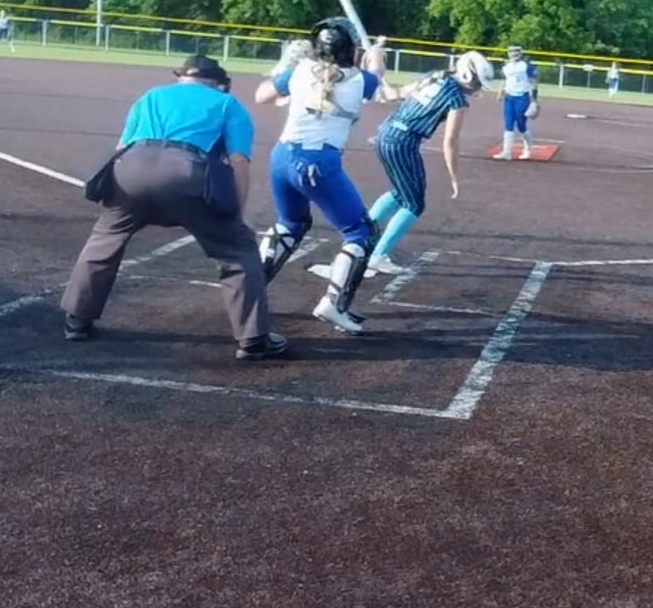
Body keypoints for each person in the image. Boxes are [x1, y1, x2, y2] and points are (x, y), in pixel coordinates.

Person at [59, 55, 286, 359]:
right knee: (237, 249)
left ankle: (76, 320)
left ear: (181, 77)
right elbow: (238, 161)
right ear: (219, 83)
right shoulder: (227, 105)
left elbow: (121, 148)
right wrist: (237, 214)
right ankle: (254, 338)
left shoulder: (151, 96)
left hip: (131, 169)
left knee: (104, 240)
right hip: (185, 173)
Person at [253, 19, 388, 335]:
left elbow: (262, 95)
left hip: (282, 157)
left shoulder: (301, 71)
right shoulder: (359, 80)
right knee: (361, 232)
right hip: (318, 164)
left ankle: (250, 288)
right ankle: (333, 305)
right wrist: (377, 53)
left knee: (291, 223)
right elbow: (377, 77)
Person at [362, 52, 494, 275]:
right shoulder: (457, 99)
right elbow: (450, 142)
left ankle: (360, 237)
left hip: (387, 133)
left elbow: (397, 94)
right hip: (403, 142)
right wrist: (454, 176)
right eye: (477, 83)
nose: (478, 88)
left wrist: (386, 88)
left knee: (402, 193)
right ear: (467, 75)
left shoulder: (435, 77)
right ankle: (377, 255)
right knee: (414, 204)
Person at [497, 44, 539, 160]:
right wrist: (500, 92)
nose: (514, 54)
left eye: (517, 51)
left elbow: (533, 82)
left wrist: (534, 100)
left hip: (522, 97)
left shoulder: (526, 66)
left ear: (521, 53)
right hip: (509, 97)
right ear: (508, 53)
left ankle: (528, 148)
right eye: (511, 51)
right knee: (508, 124)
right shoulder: (506, 66)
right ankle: (506, 152)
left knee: (521, 125)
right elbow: (504, 80)